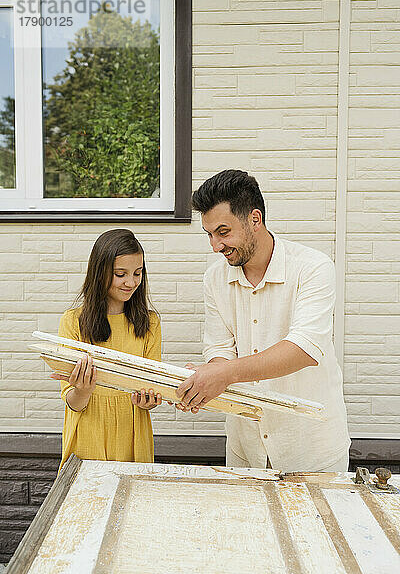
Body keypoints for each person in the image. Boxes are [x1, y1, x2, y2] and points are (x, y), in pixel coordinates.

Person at [176, 170, 351, 473]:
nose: (215, 246)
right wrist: (203, 383)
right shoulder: (214, 278)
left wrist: (222, 374)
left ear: (254, 219)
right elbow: (220, 351)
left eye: (223, 231)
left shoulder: (313, 268)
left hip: (312, 452)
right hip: (245, 450)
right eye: (209, 234)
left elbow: (304, 350)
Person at [52, 229, 162, 470]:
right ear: (99, 273)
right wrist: (82, 390)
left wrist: (148, 401)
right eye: (120, 274)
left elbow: (152, 389)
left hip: (132, 429)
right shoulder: (73, 321)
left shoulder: (150, 322)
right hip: (88, 430)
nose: (131, 282)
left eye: (138, 273)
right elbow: (73, 402)